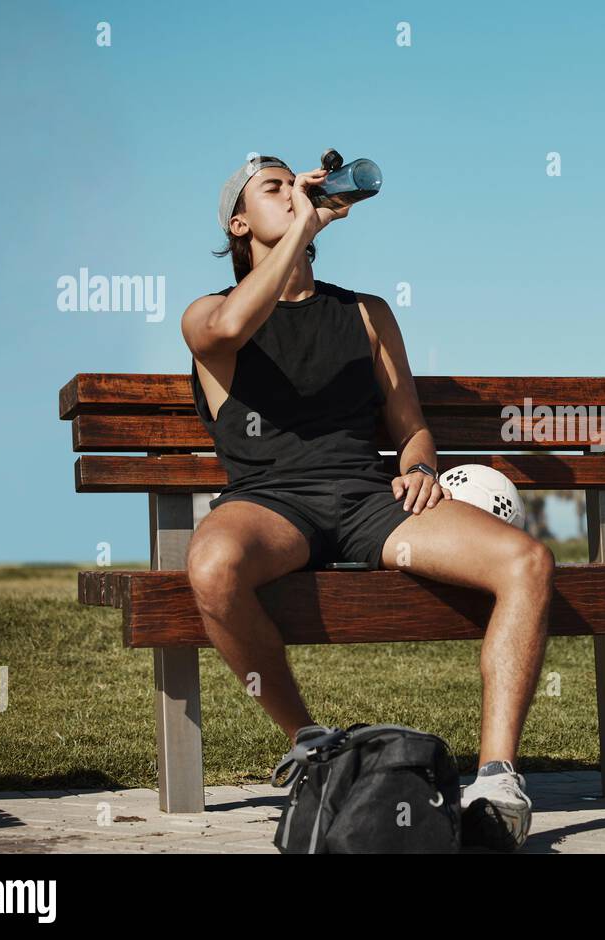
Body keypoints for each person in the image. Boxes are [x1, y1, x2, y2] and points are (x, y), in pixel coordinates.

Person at [181, 155, 551, 849]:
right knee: (212, 566)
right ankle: (314, 748)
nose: (293, 192)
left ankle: (498, 779)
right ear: (239, 222)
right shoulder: (206, 315)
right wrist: (307, 218)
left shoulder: (365, 312)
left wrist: (418, 466)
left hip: (366, 500)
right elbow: (232, 327)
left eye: (299, 182)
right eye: (274, 187)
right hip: (270, 504)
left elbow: (410, 425)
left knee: (527, 561)